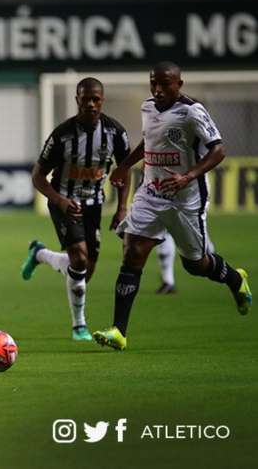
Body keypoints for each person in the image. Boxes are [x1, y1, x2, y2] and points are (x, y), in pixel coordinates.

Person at [93, 61, 252, 351]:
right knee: (132, 252)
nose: (157, 89)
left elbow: (219, 150)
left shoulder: (192, 111)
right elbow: (149, 141)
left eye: (165, 84)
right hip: (151, 192)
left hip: (185, 198)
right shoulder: (148, 107)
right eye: (153, 83)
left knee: (195, 264)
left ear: (179, 84)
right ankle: (119, 331)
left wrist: (188, 176)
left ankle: (234, 278)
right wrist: (125, 166)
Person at [21, 78, 131, 341]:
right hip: (65, 203)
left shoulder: (115, 132)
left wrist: (122, 207)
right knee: (79, 260)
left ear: (102, 100)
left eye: (96, 99)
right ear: (77, 100)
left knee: (84, 269)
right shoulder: (62, 135)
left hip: (94, 205)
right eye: (85, 99)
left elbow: (124, 171)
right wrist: (59, 200)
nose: (91, 104)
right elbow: (37, 176)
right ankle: (79, 326)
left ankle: (41, 254)